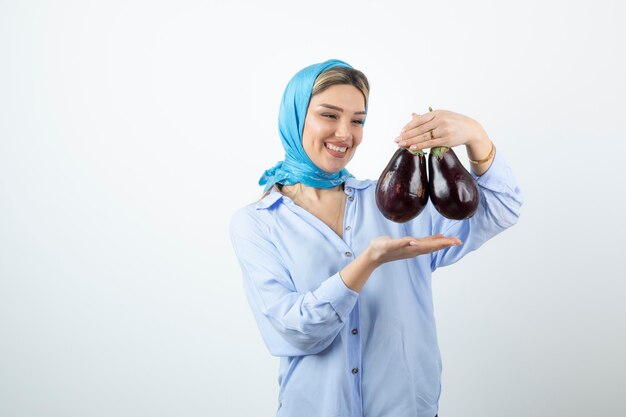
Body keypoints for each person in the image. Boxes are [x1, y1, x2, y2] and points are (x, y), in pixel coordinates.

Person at [229, 59, 522, 417]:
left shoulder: (398, 206)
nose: (344, 133)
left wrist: (476, 135)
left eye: (357, 120)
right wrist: (368, 262)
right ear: (295, 117)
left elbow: (502, 208)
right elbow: (294, 332)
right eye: (329, 115)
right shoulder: (257, 224)